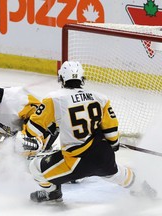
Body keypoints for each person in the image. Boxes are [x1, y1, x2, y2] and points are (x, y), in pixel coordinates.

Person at [23, 61, 157, 203]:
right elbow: (111, 130)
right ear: (82, 79)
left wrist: (49, 127)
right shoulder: (101, 98)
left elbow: (33, 129)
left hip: (75, 162)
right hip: (103, 155)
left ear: (61, 79)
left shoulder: (54, 98)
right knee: (116, 172)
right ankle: (142, 188)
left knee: (35, 167)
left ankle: (52, 193)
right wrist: (114, 143)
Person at [0, 81, 59, 159]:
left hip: (46, 128)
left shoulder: (14, 99)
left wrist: (32, 138)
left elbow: (41, 116)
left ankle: (37, 146)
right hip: (18, 133)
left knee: (19, 141)